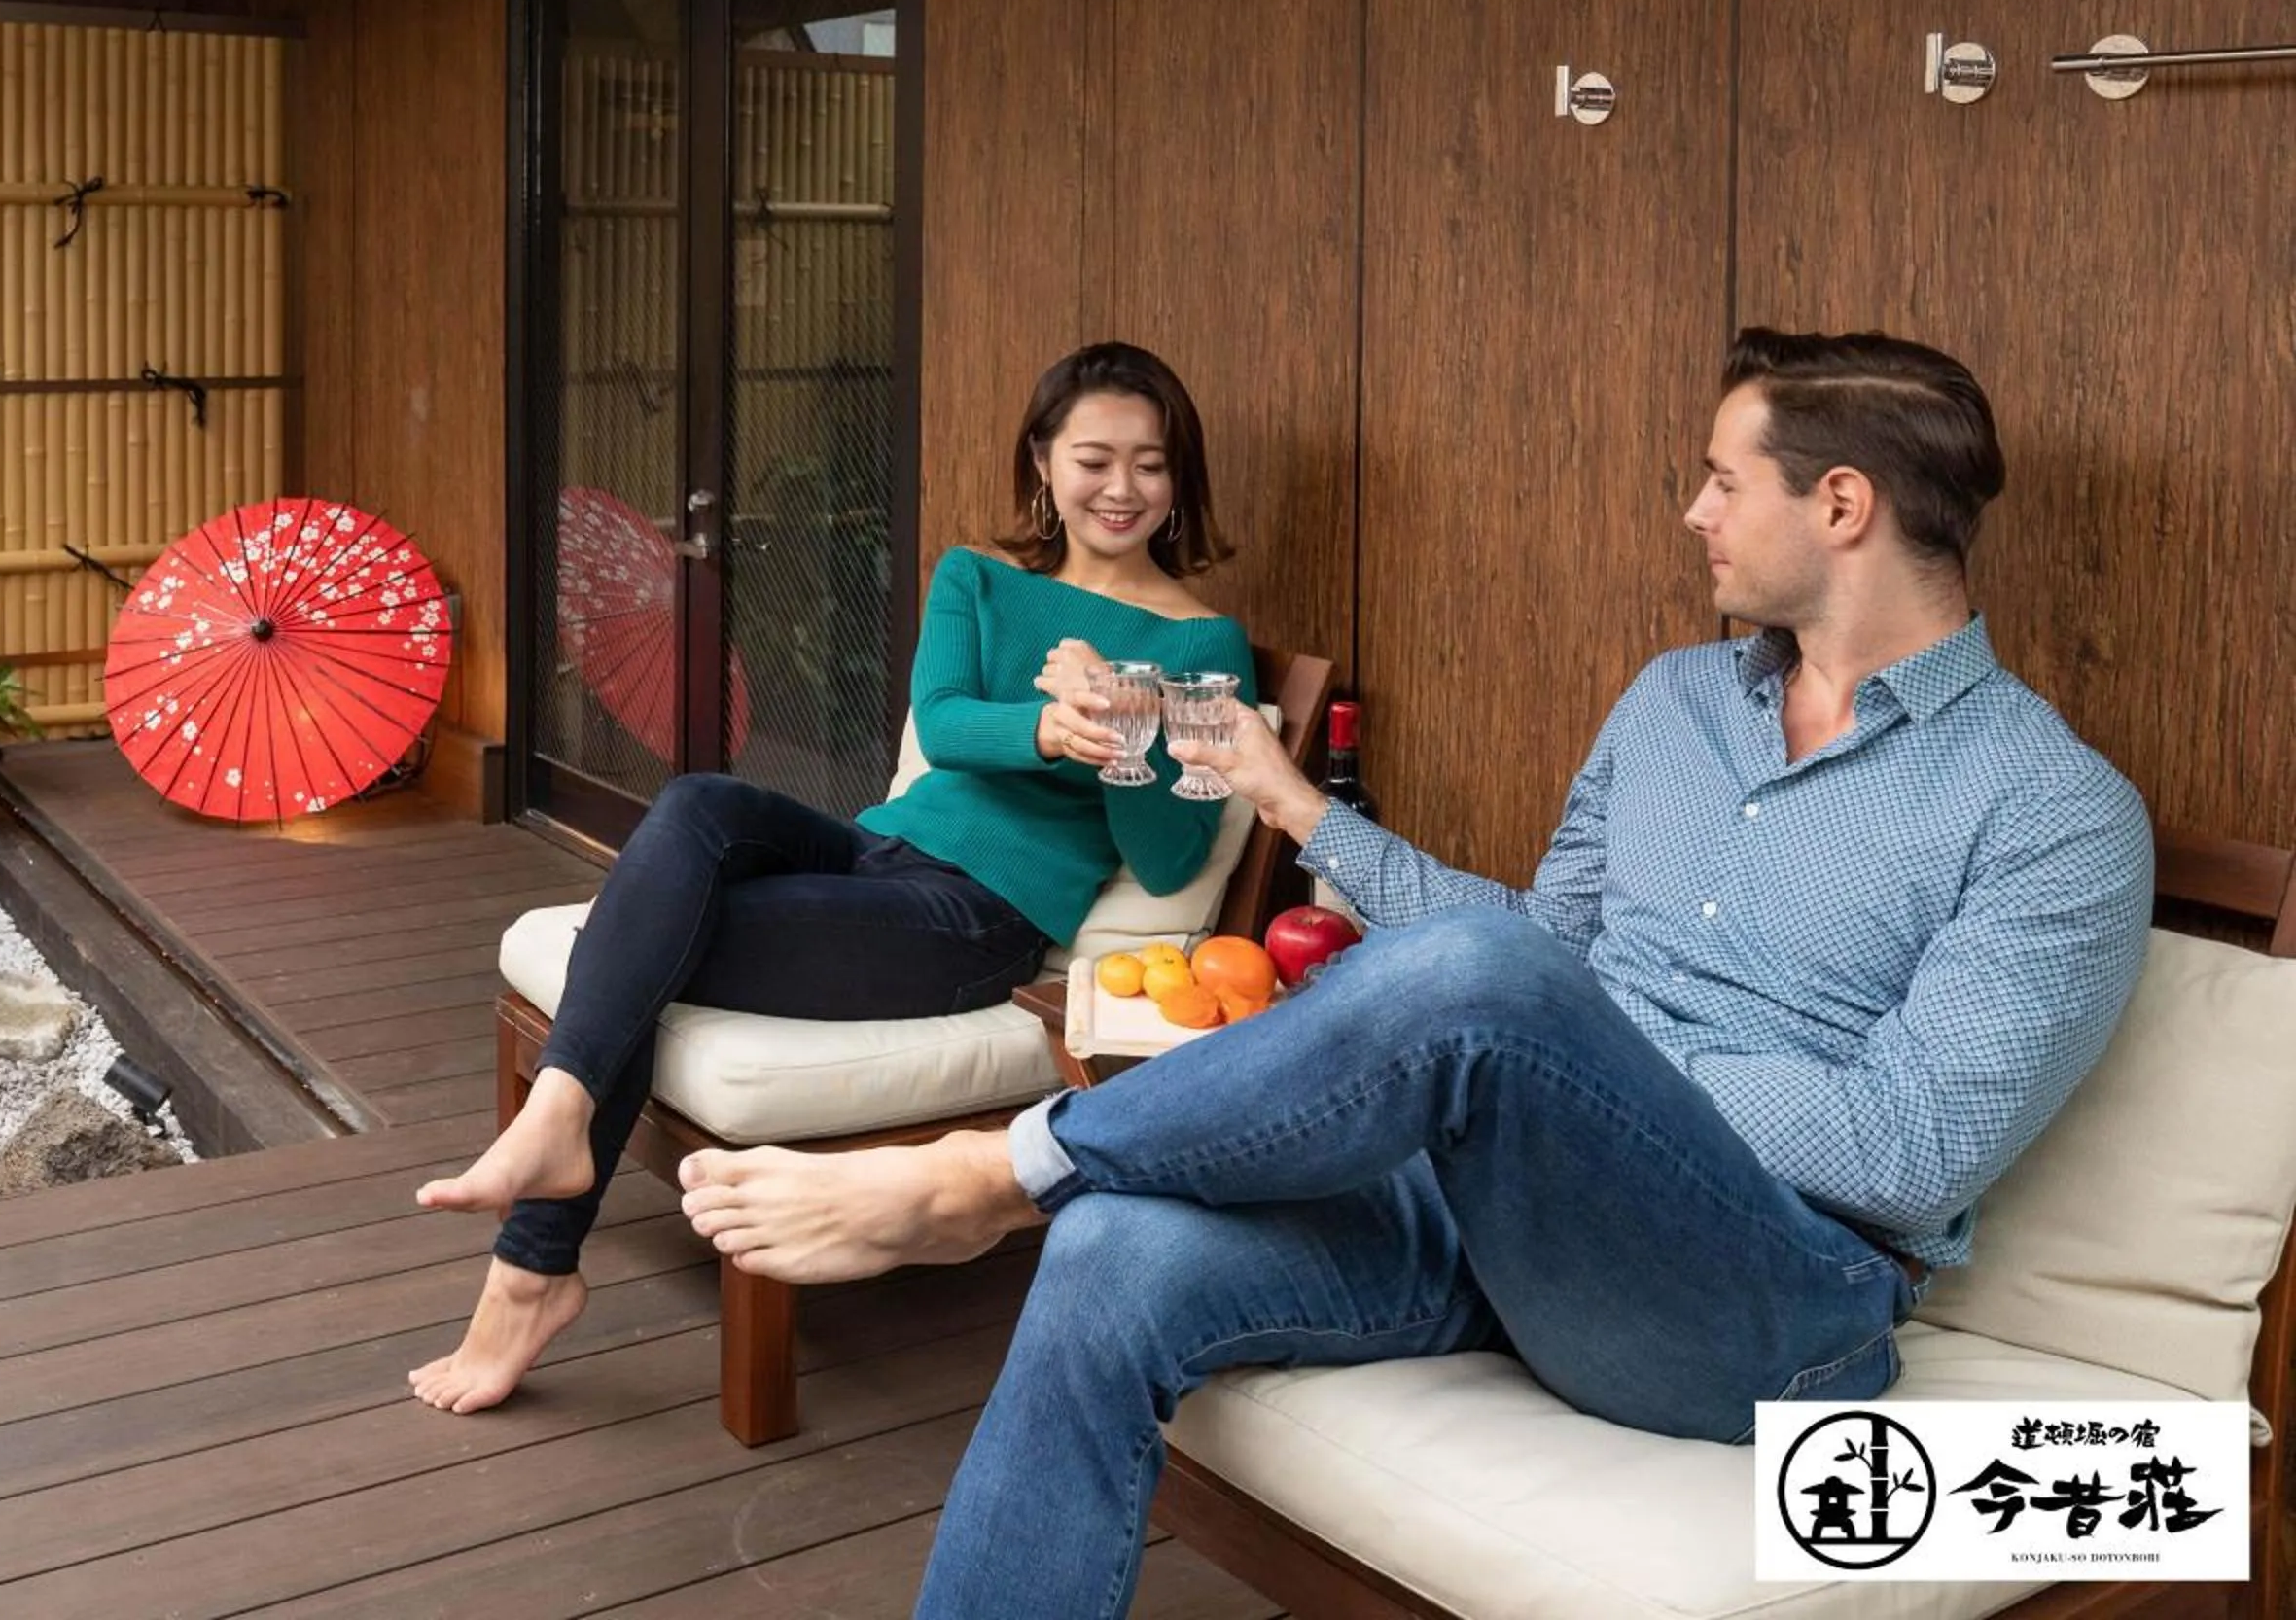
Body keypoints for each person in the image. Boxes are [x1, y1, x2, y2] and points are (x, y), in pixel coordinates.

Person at [674, 327, 2155, 1618]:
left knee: (1496, 996)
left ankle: (1001, 1173)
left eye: (1721, 477)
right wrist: (1297, 808)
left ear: (1841, 504)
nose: (1692, 510)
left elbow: (1910, 1154)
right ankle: (1059, 1196)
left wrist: (1585, 1060)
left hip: (1766, 1302)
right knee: (1118, 1258)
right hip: (1507, 1216)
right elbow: (1534, 951)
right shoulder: (1676, 702)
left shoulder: (2054, 812)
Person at [407, 341, 1259, 1414]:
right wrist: (1050, 721)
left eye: (1151, 462)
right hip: (873, 850)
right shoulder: (979, 581)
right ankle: (561, 1133)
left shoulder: (1201, 638)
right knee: (697, 804)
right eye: (1095, 457)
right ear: (1042, 460)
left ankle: (532, 1260)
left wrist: (1123, 714)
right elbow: (946, 725)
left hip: (970, 918)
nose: (1122, 487)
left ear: (1179, 477)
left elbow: (1172, 853)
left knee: (633, 939)